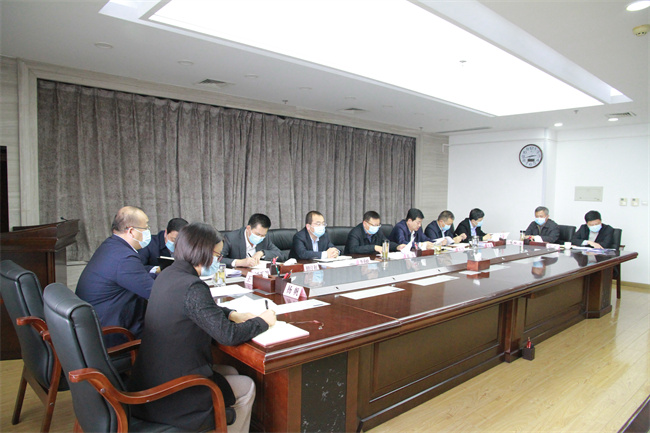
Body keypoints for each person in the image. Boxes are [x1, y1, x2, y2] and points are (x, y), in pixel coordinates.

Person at [129, 223, 276, 433]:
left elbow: (199, 309)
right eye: (217, 255)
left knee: (231, 371)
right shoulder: (193, 286)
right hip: (170, 394)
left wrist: (232, 314)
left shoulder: (169, 274)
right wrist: (263, 321)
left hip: (151, 376)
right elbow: (228, 335)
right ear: (203, 252)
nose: (219, 260)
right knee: (247, 386)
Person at [75, 206, 154, 344]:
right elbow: (154, 292)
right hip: (112, 332)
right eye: (146, 227)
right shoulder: (124, 258)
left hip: (95, 323)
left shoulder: (111, 245)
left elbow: (136, 277)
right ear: (131, 231)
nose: (148, 231)